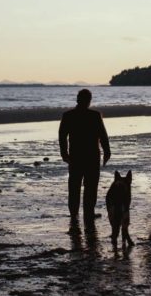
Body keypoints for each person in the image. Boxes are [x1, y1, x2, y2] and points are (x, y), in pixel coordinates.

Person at [59, 89, 111, 224]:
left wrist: (64, 153)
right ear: (88, 101)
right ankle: (88, 213)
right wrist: (107, 151)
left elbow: (62, 137)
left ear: (77, 99)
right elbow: (103, 135)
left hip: (76, 157)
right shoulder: (95, 115)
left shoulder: (68, 115)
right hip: (91, 157)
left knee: (75, 186)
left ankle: (74, 215)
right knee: (90, 186)